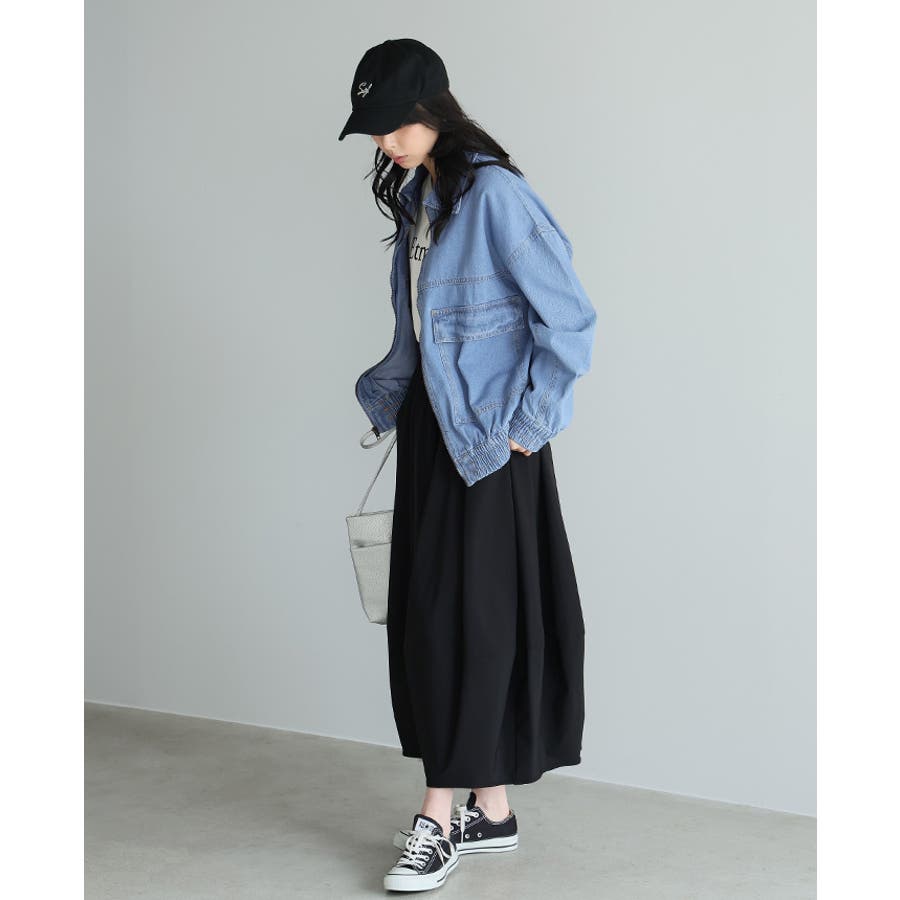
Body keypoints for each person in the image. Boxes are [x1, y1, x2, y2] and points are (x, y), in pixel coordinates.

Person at [339, 38, 597, 893]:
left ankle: (437, 819)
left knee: (463, 626)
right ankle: (490, 809)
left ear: (434, 109)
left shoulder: (496, 197)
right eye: (375, 130)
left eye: (395, 125)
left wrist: (530, 424)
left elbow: (571, 320)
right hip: (433, 432)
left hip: (488, 445)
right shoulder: (423, 197)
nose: (385, 142)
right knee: (437, 620)